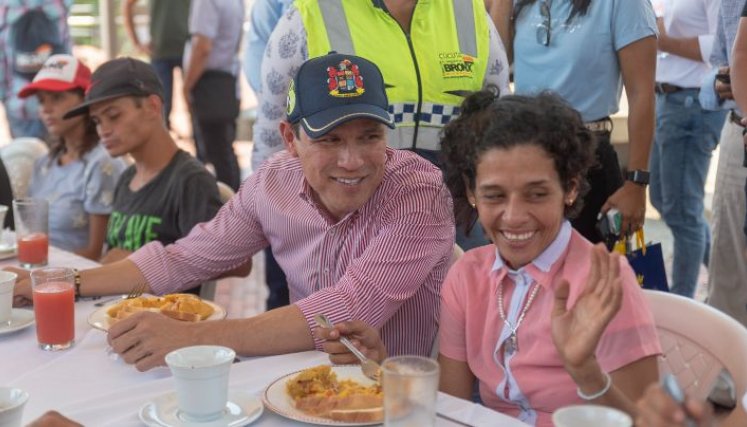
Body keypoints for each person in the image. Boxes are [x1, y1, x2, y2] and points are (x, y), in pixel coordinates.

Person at [11, 53, 455, 371]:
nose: (353, 160)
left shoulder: (419, 191)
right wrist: (55, 282)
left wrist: (191, 338)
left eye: (370, 136)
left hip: (395, 397)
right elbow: (185, 257)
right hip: (296, 380)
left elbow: (349, 307)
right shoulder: (272, 183)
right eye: (329, 140)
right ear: (289, 138)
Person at [319, 91, 661, 426]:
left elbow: (651, 423)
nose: (513, 216)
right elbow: (451, 405)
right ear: (471, 193)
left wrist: (586, 371)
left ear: (570, 188)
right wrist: (384, 367)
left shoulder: (604, 282)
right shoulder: (468, 276)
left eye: (536, 194)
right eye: (494, 195)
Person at [250, 0, 511, 309]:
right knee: (327, 333)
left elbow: (498, 125)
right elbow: (273, 134)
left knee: (454, 328)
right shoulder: (312, 14)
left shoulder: (467, 12)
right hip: (341, 219)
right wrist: (289, 224)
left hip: (453, 215)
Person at [510, 0, 657, 243]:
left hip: (587, 160)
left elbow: (642, 94)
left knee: (587, 277)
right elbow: (495, 60)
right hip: (523, 156)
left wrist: (637, 183)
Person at [53, 57, 221, 267]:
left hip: (164, 300)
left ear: (152, 106)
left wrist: (137, 262)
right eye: (97, 121)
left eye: (113, 116)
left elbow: (228, 261)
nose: (103, 130)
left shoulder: (190, 180)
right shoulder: (127, 178)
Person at [649, 0, 726, 298]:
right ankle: (723, 278)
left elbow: (718, 47)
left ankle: (682, 308)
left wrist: (660, 38)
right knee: (664, 200)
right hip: (666, 101)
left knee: (683, 212)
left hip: (692, 103)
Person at [17, 54, 126, 260]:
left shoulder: (102, 163)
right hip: (39, 272)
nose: (46, 109)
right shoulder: (44, 164)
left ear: (86, 101)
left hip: (75, 279)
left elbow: (95, 254)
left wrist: (40, 267)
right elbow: (29, 233)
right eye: (41, 100)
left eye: (57, 98)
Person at [699, 0, 747, 328]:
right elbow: (713, 77)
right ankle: (730, 373)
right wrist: (717, 86)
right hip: (738, 129)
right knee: (729, 267)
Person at [182, 0, 244, 191]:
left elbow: (203, 47)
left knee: (216, 152)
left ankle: (229, 207)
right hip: (226, 79)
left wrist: (186, 85)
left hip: (209, 82)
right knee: (224, 149)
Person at [0, 0, 72, 140]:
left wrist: (5, 98)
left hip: (20, 104)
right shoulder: (58, 4)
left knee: (26, 158)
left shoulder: (5, 7)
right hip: (61, 103)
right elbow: (66, 51)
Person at [123, 0, 191, 130]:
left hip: (189, 51)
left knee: (195, 105)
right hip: (160, 53)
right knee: (160, 107)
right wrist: (137, 42)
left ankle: (200, 147)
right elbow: (128, 5)